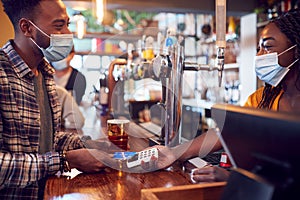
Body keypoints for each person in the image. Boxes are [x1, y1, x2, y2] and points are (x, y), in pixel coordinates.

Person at [144, 8, 300, 183]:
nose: (259, 56)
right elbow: (224, 132)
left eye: (268, 47)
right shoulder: (263, 98)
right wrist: (174, 152)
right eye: (259, 48)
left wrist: (233, 178)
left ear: (296, 49)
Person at [0, 1, 116, 199]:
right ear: (26, 28)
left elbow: (48, 139)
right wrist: (64, 161)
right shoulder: (3, 75)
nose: (66, 34)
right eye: (58, 26)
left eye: (67, 25)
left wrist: (91, 145)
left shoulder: (44, 73)